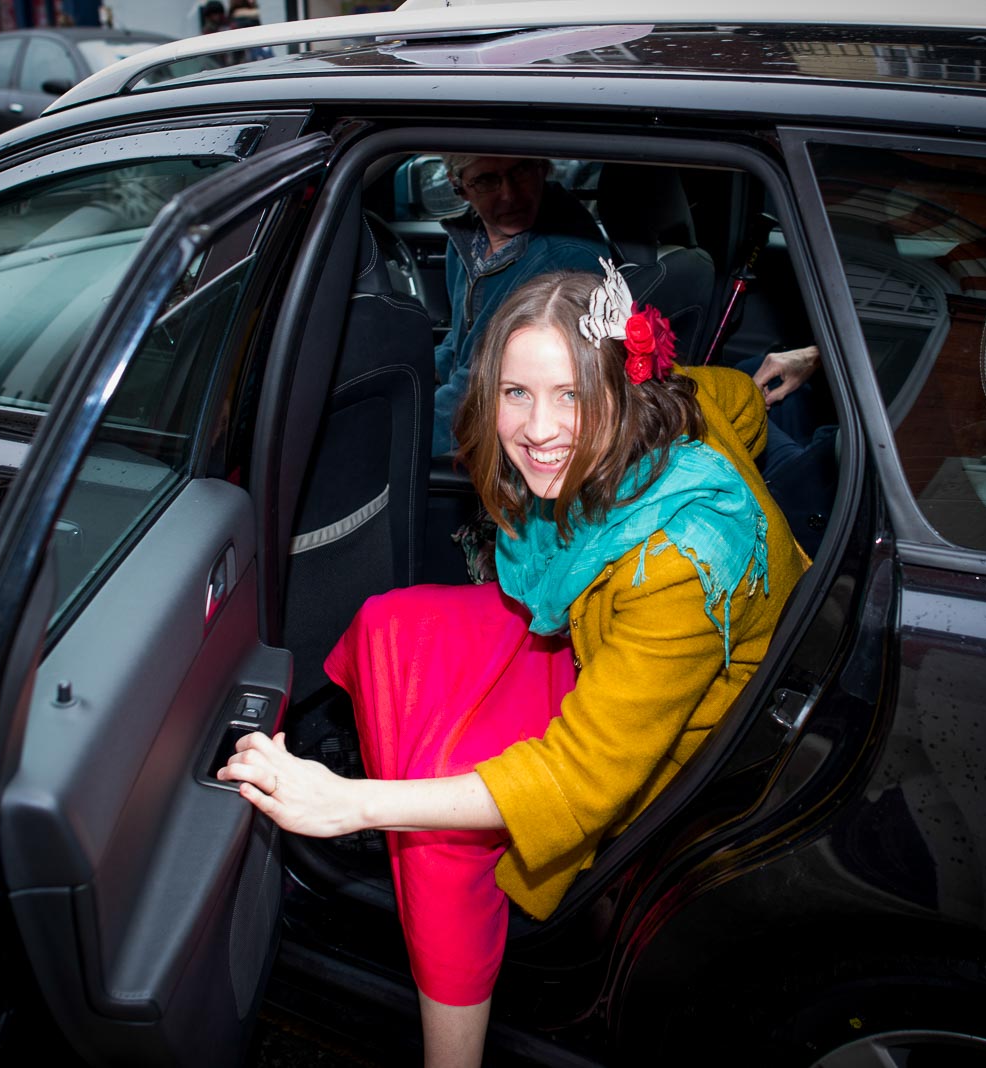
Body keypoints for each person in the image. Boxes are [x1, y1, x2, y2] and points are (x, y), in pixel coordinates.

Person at [218, 265, 808, 1066]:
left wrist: (350, 806)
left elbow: (577, 780)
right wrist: (784, 379)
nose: (538, 429)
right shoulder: (681, 402)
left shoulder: (673, 566)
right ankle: (378, 761)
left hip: (650, 729)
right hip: (598, 645)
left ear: (623, 387)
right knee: (390, 622)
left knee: (435, 847)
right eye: (516, 394)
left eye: (571, 395)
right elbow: (736, 397)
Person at [431, 156, 607, 455]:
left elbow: (485, 384)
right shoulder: (466, 238)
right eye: (487, 180)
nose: (509, 194)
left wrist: (399, 428)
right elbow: (460, 340)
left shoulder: (566, 261)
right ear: (458, 185)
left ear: (542, 167)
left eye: (521, 171)